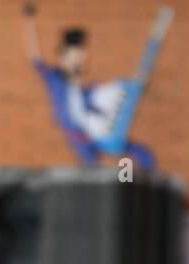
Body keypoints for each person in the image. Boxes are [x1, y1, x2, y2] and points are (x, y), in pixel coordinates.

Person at [21, 4, 160, 170]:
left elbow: (109, 99)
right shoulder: (54, 79)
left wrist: (133, 90)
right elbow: (35, 56)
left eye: (81, 55)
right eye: (74, 55)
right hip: (78, 137)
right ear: (62, 56)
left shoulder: (86, 91)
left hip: (96, 133)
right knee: (93, 168)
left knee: (143, 154)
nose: (79, 59)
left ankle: (142, 186)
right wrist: (28, 22)